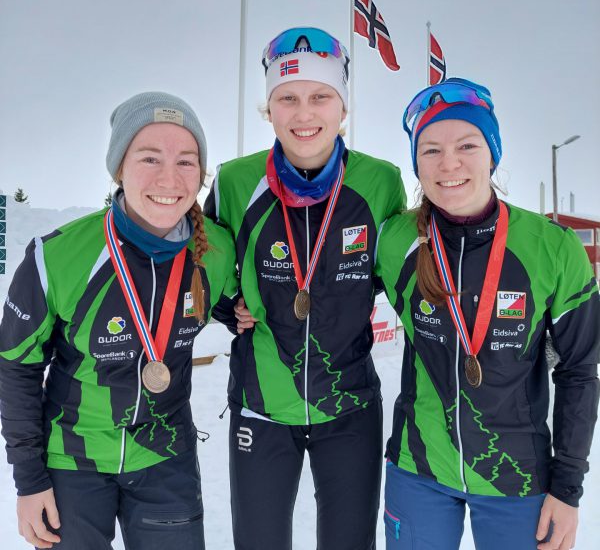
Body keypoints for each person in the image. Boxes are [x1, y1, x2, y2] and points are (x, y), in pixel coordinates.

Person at [0, 92, 238, 550]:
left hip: (166, 458)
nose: (170, 177)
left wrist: (235, 312)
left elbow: (231, 302)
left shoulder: (218, 252)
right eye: (150, 158)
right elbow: (17, 368)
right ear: (118, 168)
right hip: (73, 462)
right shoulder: (57, 256)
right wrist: (29, 482)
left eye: (187, 161)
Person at [374, 78, 600, 549]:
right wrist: (239, 307)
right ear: (416, 161)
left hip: (516, 477)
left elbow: (579, 371)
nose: (449, 163)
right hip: (419, 471)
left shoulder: (552, 248)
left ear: (492, 153)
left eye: (467, 145)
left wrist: (568, 489)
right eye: (430, 150)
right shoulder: (394, 241)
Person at [204, 27, 406, 549]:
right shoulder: (234, 182)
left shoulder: (380, 183)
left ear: (344, 109)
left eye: (321, 97)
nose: (304, 113)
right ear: (268, 110)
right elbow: (213, 265)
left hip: (350, 406)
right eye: (287, 98)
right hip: (262, 405)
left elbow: (391, 272)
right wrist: (232, 310)